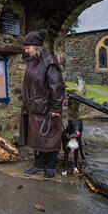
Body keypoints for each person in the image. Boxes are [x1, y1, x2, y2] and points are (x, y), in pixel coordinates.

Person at [18, 29, 65, 179]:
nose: (26, 50)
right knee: (37, 137)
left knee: (49, 137)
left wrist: (56, 108)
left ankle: (51, 167)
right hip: (34, 106)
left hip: (47, 107)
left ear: (36, 47)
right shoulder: (33, 61)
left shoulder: (49, 61)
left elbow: (56, 86)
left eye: (28, 48)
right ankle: (38, 165)